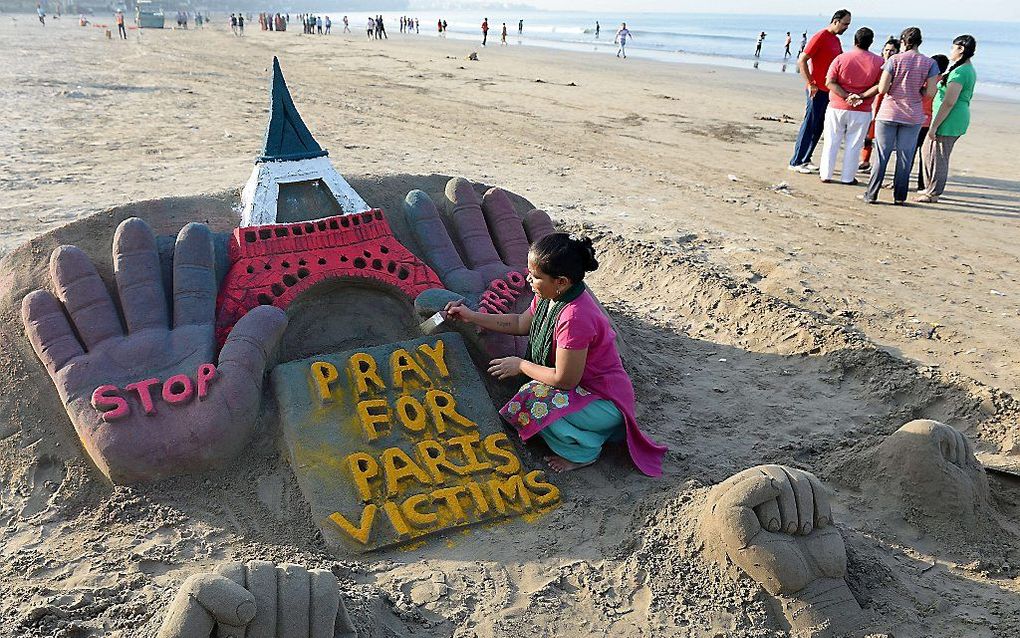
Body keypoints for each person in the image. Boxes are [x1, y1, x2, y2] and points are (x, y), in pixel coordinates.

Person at [444, 234, 667, 476]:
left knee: (531, 401)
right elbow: (520, 323)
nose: (529, 280)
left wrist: (521, 365)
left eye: (536, 276)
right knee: (530, 397)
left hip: (605, 401)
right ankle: (588, 432)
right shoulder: (549, 296)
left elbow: (565, 380)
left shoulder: (574, 318)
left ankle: (584, 452)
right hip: (584, 391)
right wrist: (473, 316)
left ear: (560, 281)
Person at [862, 27, 939, 205]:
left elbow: (882, 88)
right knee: (905, 157)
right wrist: (918, 90)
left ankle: (871, 194)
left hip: (889, 111)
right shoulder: (930, 63)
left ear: (903, 41)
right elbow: (931, 92)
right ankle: (899, 197)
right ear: (920, 42)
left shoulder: (894, 60)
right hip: (913, 115)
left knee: (882, 154)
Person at [788, 9, 852, 174]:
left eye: (848, 25)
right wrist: (810, 83)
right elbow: (802, 60)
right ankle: (796, 161)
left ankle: (806, 158)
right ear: (835, 21)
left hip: (829, 90)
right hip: (816, 90)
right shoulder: (820, 36)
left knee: (819, 127)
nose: (846, 27)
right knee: (810, 124)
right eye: (845, 24)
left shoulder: (835, 40)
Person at [819, 27, 883, 185]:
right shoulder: (879, 61)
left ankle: (826, 174)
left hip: (837, 106)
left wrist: (847, 96)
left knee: (831, 141)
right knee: (854, 144)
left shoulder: (841, 58)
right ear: (871, 42)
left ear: (855, 40)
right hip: (862, 108)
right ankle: (847, 177)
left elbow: (830, 82)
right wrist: (860, 96)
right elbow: (879, 85)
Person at [917, 35, 977, 203]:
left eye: (953, 47)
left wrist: (934, 126)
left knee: (938, 155)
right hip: (951, 117)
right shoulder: (963, 69)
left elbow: (949, 101)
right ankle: (930, 188)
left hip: (950, 119)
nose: (951, 51)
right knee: (928, 152)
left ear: (961, 49)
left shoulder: (960, 72)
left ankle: (933, 193)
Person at [859, 37, 900, 172]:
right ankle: (864, 161)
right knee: (867, 134)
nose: (888, 53)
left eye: (892, 51)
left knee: (881, 137)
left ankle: (876, 164)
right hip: (873, 101)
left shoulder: (897, 66)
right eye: (886, 50)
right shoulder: (877, 63)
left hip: (888, 103)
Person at [915, 54, 949, 190]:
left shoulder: (926, 81)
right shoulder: (945, 83)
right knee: (926, 157)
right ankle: (922, 185)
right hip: (931, 123)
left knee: (909, 153)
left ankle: (901, 181)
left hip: (917, 120)